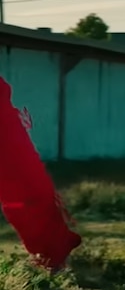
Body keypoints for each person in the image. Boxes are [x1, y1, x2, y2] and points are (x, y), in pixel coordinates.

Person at [0, 75, 81, 274]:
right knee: (22, 203)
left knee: (28, 200)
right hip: (11, 153)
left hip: (12, 152)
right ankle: (51, 253)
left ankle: (53, 254)